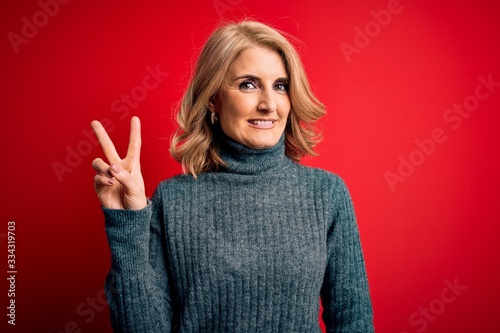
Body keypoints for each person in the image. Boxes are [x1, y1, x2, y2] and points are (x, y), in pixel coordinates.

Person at [91, 20, 374, 333]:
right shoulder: (171, 200)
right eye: (248, 85)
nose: (268, 104)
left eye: (280, 86)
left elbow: (353, 322)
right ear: (214, 99)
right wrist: (127, 222)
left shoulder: (327, 194)